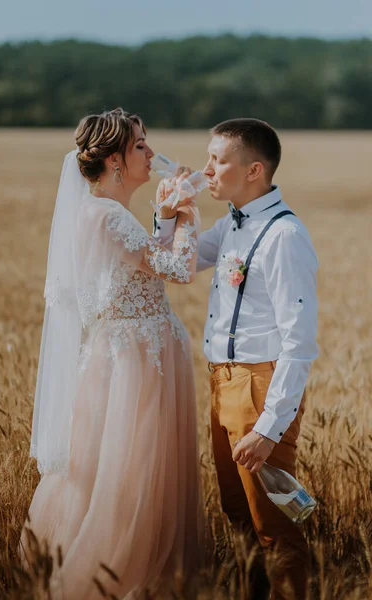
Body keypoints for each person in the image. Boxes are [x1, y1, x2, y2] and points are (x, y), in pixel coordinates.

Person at [19, 108, 202, 600]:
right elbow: (177, 268)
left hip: (142, 349)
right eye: (140, 145)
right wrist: (187, 214)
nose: (149, 152)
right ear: (116, 160)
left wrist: (163, 217)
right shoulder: (102, 214)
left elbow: (143, 263)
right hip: (134, 359)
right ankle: (116, 568)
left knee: (138, 465)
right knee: (131, 469)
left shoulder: (108, 212)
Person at [154, 118, 319, 600]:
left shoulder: (284, 236)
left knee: (274, 524)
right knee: (236, 511)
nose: (206, 169)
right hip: (221, 382)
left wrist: (269, 427)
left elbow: (299, 341)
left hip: (259, 387)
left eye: (217, 160)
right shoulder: (231, 223)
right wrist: (168, 212)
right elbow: (173, 261)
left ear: (254, 170)